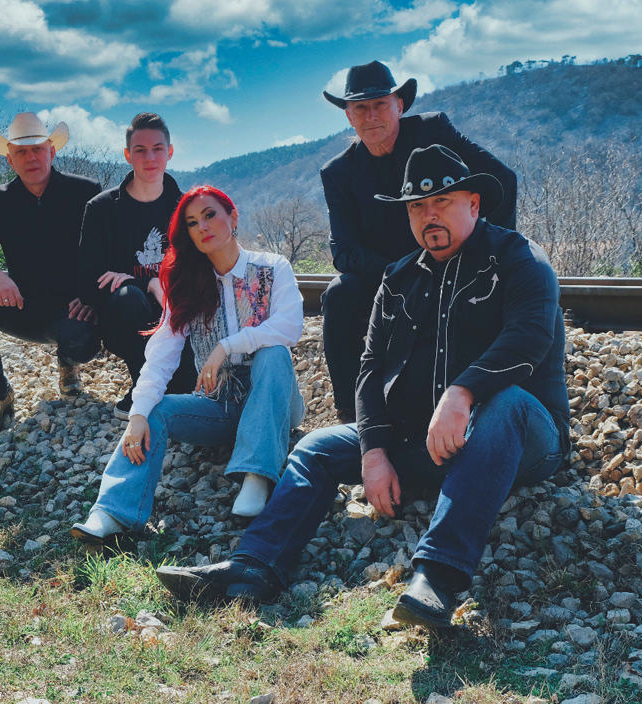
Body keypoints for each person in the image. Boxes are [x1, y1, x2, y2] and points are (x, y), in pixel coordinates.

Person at [156, 146, 570, 630]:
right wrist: (374, 451)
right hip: (423, 442)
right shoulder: (398, 278)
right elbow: (370, 369)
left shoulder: (519, 259)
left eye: (442, 202)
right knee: (315, 447)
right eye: (417, 207)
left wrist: (463, 393)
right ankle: (254, 564)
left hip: (520, 442)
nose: (429, 215)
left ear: (474, 204)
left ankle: (436, 579)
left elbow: (529, 337)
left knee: (507, 403)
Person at [71, 185, 306, 546]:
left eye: (210, 215)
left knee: (274, 353)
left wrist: (227, 346)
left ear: (233, 217)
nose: (202, 227)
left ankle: (257, 476)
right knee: (155, 410)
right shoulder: (187, 284)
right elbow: (162, 353)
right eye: (192, 223)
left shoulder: (272, 267)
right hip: (220, 406)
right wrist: (138, 414)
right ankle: (113, 511)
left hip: (276, 402)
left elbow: (289, 326)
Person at [320, 61, 519, 423]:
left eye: (380, 104)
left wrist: (490, 254)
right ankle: (351, 415)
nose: (371, 116)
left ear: (399, 105)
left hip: (456, 265)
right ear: (349, 116)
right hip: (389, 277)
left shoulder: (433, 130)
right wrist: (403, 275)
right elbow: (344, 250)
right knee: (339, 294)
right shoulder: (338, 172)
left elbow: (501, 180)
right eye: (360, 108)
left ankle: (482, 395)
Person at [0, 112, 102, 442]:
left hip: (73, 308)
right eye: (21, 152)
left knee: (83, 343)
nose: (31, 158)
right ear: (10, 160)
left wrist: (92, 296)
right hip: (23, 305)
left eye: (37, 149)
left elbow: (108, 251)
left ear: (52, 151)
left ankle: (68, 362)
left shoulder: (85, 192)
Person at [77, 112, 196, 420]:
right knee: (128, 296)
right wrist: (145, 283)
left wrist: (144, 281)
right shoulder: (102, 209)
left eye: (158, 148)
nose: (150, 158)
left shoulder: (187, 208)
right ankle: (145, 385)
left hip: (177, 315)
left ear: (170, 152)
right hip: (126, 319)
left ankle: (162, 389)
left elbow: (202, 272)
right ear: (128, 155)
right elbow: (87, 284)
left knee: (188, 391)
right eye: (140, 150)